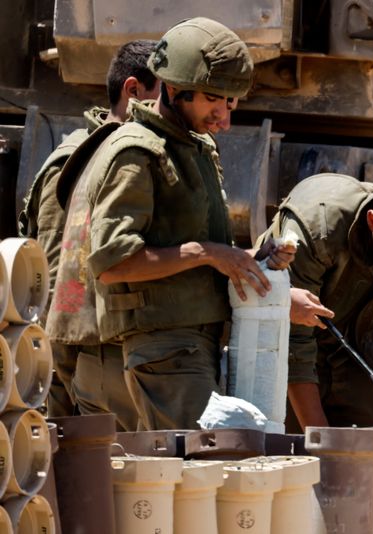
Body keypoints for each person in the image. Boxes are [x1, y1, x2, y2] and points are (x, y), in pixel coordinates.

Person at [82, 17, 283, 430]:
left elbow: (196, 248)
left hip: (197, 344)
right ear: (174, 88)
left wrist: (250, 258)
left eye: (230, 103)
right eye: (214, 99)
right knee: (201, 477)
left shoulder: (193, 148)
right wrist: (207, 253)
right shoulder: (137, 151)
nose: (223, 118)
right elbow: (111, 263)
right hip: (167, 348)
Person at [19, 40, 161, 420]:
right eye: (166, 94)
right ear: (133, 91)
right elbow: (54, 286)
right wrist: (61, 392)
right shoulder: (76, 161)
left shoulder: (135, 158)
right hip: (82, 363)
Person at [257, 172, 373, 430]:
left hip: (355, 351)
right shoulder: (318, 227)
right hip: (277, 350)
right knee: (286, 451)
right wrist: (322, 442)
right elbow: (294, 342)